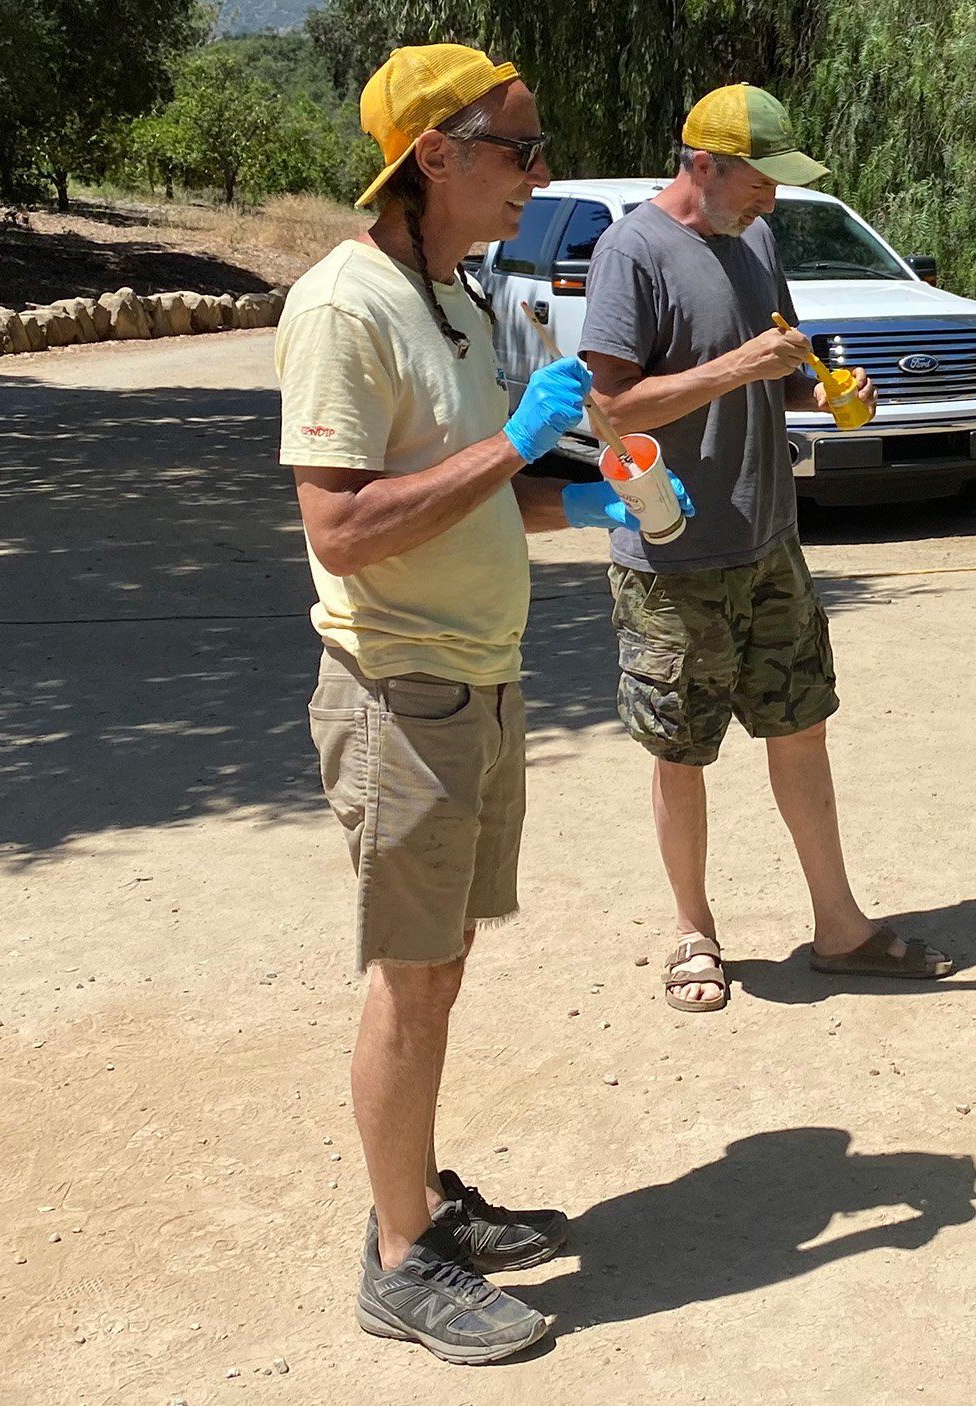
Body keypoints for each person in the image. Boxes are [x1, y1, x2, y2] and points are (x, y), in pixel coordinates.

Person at [278, 43, 656, 1364]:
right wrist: (512, 443)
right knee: (410, 974)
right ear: (433, 155)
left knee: (443, 962)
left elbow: (476, 486)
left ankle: (422, 1199)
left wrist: (585, 499)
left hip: (479, 684)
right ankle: (396, 1260)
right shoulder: (346, 306)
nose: (540, 175)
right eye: (521, 149)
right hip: (401, 693)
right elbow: (341, 526)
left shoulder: (451, 292)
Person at [580, 84, 953, 1012]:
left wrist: (823, 392)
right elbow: (611, 410)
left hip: (769, 544)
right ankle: (694, 934)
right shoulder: (633, 252)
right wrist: (739, 366)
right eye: (758, 181)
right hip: (671, 557)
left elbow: (772, 374)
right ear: (701, 166)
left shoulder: (752, 239)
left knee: (801, 730)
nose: (771, 201)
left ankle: (841, 928)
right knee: (680, 751)